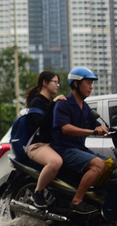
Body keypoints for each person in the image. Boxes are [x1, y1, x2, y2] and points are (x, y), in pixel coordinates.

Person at [51, 67, 109, 214]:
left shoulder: (85, 107)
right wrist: (93, 131)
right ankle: (77, 201)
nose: (91, 87)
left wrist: (105, 128)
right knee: (98, 165)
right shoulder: (63, 103)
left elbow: (95, 124)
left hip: (79, 149)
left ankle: (94, 197)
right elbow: (66, 128)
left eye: (92, 83)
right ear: (76, 84)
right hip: (64, 149)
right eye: (88, 83)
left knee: (110, 163)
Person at [24, 71, 66, 209]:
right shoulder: (37, 101)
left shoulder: (49, 102)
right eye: (55, 82)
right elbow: (41, 123)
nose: (58, 85)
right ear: (45, 83)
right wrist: (54, 103)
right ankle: (38, 192)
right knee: (55, 162)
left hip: (52, 144)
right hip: (37, 146)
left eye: (59, 82)